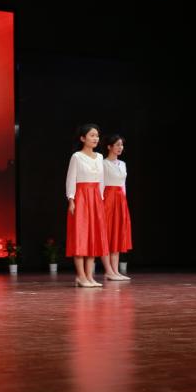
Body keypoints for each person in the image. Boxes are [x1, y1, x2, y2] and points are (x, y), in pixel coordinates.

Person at [65, 123, 118, 287]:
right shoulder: (77, 157)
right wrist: (71, 199)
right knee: (81, 236)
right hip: (81, 197)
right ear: (83, 138)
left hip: (95, 198)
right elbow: (71, 179)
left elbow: (101, 181)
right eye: (92, 135)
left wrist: (101, 199)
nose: (95, 138)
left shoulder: (100, 157)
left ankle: (89, 276)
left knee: (93, 236)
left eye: (97, 135)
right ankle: (81, 276)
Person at [102, 134, 132, 280]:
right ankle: (108, 271)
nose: (120, 147)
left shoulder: (122, 164)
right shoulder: (103, 163)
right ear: (109, 147)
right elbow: (100, 184)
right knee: (107, 234)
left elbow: (123, 185)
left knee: (117, 234)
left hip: (120, 200)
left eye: (121, 145)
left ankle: (115, 271)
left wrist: (124, 201)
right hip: (108, 199)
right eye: (117, 145)